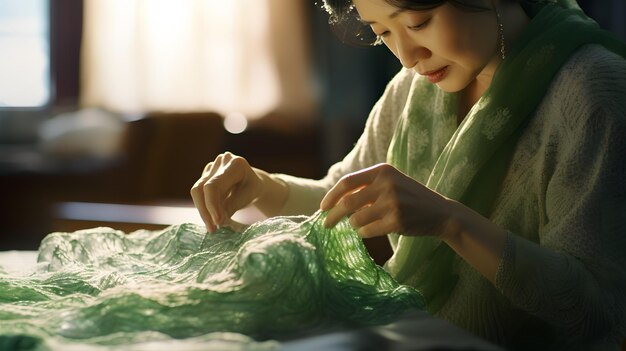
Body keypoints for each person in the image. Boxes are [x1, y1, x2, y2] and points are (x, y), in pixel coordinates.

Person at [190, 0, 626, 349]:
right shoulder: (415, 88)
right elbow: (342, 195)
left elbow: (594, 309)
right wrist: (261, 185)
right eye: (383, 33)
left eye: (419, 22)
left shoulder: (593, 91)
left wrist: (451, 222)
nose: (408, 56)